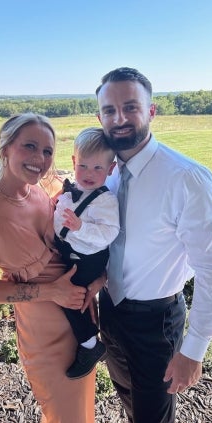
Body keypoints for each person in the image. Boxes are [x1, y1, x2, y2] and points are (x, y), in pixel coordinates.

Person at [86, 67, 212, 423]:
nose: (119, 118)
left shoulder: (186, 178)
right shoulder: (109, 174)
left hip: (154, 324)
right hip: (112, 313)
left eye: (130, 107)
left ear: (151, 112)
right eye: (109, 110)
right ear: (99, 116)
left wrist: (195, 348)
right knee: (134, 410)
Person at [0, 113, 102, 423]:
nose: (40, 159)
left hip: (82, 314)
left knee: (79, 411)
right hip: (44, 332)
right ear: (6, 147)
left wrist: (99, 280)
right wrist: (52, 292)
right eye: (30, 147)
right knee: (65, 419)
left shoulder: (47, 187)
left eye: (48, 151)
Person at [53, 127, 120, 379]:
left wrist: (80, 228)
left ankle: (90, 346)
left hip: (89, 258)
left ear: (110, 169)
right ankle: (89, 340)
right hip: (72, 253)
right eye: (83, 166)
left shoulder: (105, 201)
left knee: (73, 300)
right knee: (72, 299)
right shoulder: (72, 191)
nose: (89, 174)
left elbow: (108, 234)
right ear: (73, 162)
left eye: (97, 169)